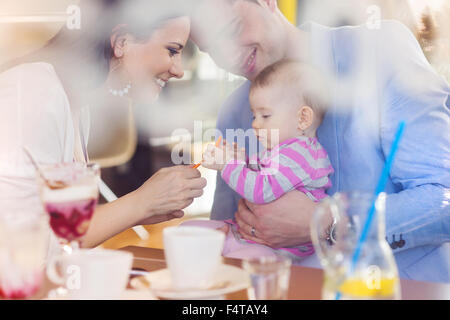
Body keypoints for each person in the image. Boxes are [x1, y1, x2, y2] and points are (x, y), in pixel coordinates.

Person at [191, 0, 450, 282]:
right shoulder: (235, 111)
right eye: (211, 49)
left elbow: (443, 198)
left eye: (231, 30)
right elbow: (228, 243)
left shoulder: (381, 52)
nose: (229, 57)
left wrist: (328, 221)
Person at [0, 0, 206, 249]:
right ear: (121, 42)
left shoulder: (75, 103)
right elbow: (24, 245)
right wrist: (140, 203)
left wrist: (140, 210)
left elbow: (65, 233)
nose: (179, 70)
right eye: (172, 50)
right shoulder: (34, 93)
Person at [183, 60, 333, 261]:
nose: (255, 124)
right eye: (254, 115)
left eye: (265, 115)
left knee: (239, 263)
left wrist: (228, 165)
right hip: (251, 238)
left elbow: (263, 189)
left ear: (303, 118)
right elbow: (262, 171)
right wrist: (239, 159)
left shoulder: (301, 154)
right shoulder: (286, 150)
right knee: (186, 229)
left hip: (278, 251)